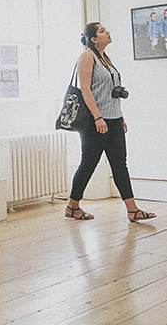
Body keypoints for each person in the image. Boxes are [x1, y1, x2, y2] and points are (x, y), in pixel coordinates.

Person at [64, 22, 156, 223]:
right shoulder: (86, 57)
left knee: (120, 165)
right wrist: (98, 117)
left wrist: (120, 116)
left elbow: (111, 91)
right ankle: (73, 206)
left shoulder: (105, 58)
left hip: (113, 120)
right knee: (89, 164)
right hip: (95, 121)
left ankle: (132, 210)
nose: (108, 32)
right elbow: (86, 90)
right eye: (102, 30)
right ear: (94, 39)